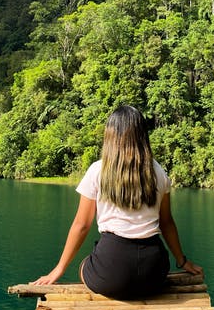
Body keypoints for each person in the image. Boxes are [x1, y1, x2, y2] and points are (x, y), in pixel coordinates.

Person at [31, 105, 203, 299]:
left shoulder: (98, 170)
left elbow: (82, 225)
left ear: (110, 135)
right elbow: (167, 222)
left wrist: (58, 269)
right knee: (132, 272)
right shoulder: (158, 171)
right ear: (142, 135)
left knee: (84, 266)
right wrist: (182, 261)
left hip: (112, 271)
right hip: (153, 272)